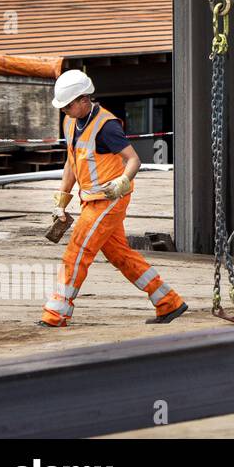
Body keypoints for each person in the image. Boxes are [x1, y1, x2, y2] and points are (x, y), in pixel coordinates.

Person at [41, 70, 187, 327]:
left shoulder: (106, 126)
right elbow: (72, 162)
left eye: (68, 105)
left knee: (77, 252)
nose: (64, 110)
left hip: (109, 201)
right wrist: (61, 201)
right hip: (91, 200)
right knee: (120, 255)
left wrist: (121, 182)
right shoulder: (70, 123)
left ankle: (56, 314)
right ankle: (168, 301)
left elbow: (134, 160)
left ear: (84, 99)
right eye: (62, 106)